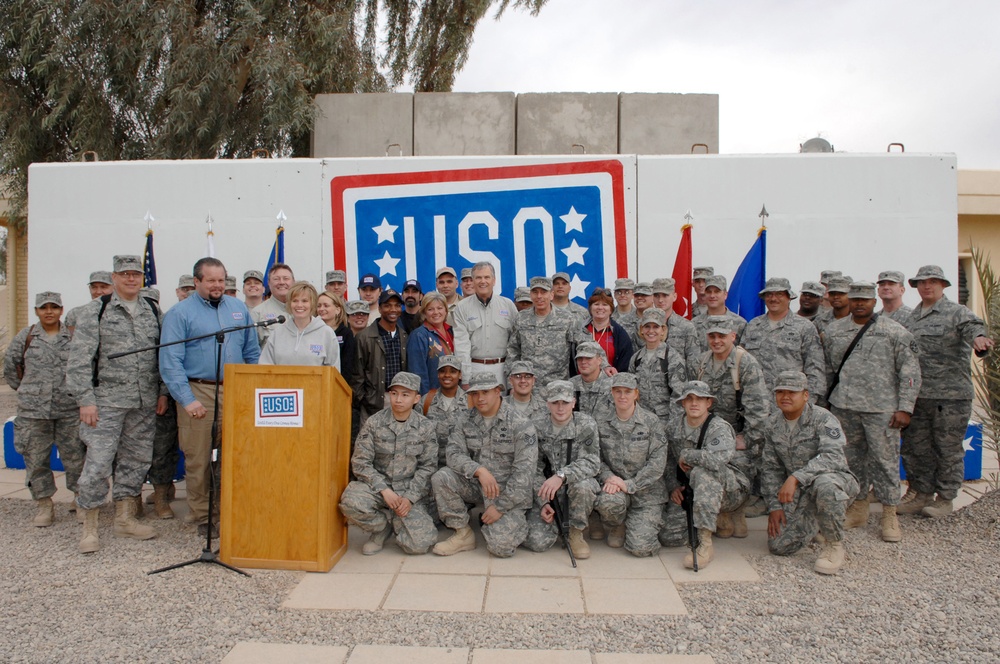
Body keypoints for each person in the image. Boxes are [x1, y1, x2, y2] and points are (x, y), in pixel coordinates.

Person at [67, 255, 169, 554]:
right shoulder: (95, 311)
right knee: (97, 464)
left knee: (136, 461)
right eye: (124, 274)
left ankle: (124, 519)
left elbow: (161, 354)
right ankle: (90, 526)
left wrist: (162, 392)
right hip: (106, 403)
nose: (131, 279)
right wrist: (85, 400)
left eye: (135, 274)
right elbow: (79, 361)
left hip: (143, 401)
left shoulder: (152, 310)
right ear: (114, 277)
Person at [159, 257, 260, 536]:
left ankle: (227, 509)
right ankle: (203, 515)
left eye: (222, 280)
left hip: (236, 389)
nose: (218, 285)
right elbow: (170, 361)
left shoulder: (238, 309)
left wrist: (251, 389)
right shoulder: (179, 314)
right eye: (211, 280)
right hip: (198, 391)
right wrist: (187, 399)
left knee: (233, 456)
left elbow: (252, 353)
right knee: (199, 458)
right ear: (197, 282)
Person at [822, 281, 920, 541]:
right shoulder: (835, 331)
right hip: (845, 406)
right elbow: (831, 369)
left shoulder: (895, 331)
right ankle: (858, 506)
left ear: (874, 301)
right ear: (849, 301)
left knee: (885, 461)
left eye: (865, 299)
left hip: (882, 409)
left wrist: (905, 408)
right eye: (855, 299)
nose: (860, 303)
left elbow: (910, 373)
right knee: (850, 461)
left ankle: (889, 513)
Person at [900, 265, 993, 517]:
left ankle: (945, 498)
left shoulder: (956, 312)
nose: (927, 286)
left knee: (947, 449)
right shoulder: (911, 317)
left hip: (950, 397)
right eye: (922, 282)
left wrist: (980, 339)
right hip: (917, 396)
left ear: (943, 285)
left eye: (933, 282)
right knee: (916, 448)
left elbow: (973, 327)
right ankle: (920, 494)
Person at [761, 371, 859, 575]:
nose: (785, 397)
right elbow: (771, 468)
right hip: (801, 489)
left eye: (792, 392)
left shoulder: (823, 418)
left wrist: (796, 477)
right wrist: (774, 506)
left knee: (825, 486)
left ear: (805, 395)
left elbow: (833, 457)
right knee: (779, 546)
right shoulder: (772, 424)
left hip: (835, 480)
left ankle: (834, 545)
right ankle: (818, 520)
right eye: (780, 392)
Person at [431, 371, 538, 557]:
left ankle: (517, 519)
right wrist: (478, 470)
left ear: (498, 391)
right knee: (442, 477)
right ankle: (463, 532)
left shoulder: (520, 424)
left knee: (501, 548)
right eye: (474, 394)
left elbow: (524, 474)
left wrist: (500, 507)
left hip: (507, 491)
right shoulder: (465, 419)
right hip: (477, 485)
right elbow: (453, 454)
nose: (479, 398)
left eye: (485, 392)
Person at [4, 292, 85, 528]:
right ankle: (44, 503)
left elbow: (84, 367)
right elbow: (11, 366)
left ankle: (80, 500)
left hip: (69, 410)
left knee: (75, 458)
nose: (49, 312)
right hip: (33, 412)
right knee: (36, 459)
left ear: (61, 310)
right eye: (43, 308)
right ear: (36, 311)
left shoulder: (72, 337)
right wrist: (29, 391)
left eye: (54, 307)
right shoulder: (27, 336)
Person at [339, 372, 438, 555]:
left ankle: (400, 520)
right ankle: (381, 528)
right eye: (394, 393)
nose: (398, 399)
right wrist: (384, 490)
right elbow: (361, 462)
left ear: (416, 398)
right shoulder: (374, 423)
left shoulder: (426, 427)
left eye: (405, 395)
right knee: (350, 502)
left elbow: (428, 467)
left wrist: (409, 498)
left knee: (419, 545)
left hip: (408, 490)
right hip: (379, 488)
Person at [691, 316, 770, 537]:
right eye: (712, 336)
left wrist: (748, 438)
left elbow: (759, 408)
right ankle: (722, 512)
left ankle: (737, 511)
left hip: (738, 433)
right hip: (707, 433)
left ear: (733, 336)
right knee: (708, 468)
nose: (716, 341)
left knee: (737, 472)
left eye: (722, 336)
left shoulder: (745, 363)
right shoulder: (701, 362)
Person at [662, 381, 750, 569]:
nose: (694, 403)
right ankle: (713, 516)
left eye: (700, 399)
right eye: (690, 399)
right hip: (692, 489)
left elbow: (717, 460)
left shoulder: (719, 428)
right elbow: (668, 462)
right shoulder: (673, 427)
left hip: (729, 489)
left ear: (708, 403)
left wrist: (688, 455)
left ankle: (704, 544)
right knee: (669, 536)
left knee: (703, 473)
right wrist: (673, 486)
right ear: (682, 403)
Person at [522, 380, 601, 559]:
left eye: (565, 402)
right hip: (545, 490)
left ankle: (575, 531)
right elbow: (532, 467)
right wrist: (543, 502)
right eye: (555, 402)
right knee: (537, 542)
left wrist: (562, 476)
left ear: (573, 402)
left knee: (584, 486)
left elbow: (592, 461)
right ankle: (555, 523)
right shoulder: (535, 425)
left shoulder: (586, 424)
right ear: (547, 403)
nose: (560, 408)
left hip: (573, 485)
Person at [594, 372, 668, 557]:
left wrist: (630, 485)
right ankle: (617, 524)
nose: (622, 396)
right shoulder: (601, 421)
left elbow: (657, 463)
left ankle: (642, 522)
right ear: (611, 393)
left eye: (627, 391)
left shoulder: (651, 422)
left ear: (636, 394)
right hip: (615, 487)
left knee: (640, 548)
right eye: (617, 391)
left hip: (647, 491)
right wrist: (608, 477)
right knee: (607, 502)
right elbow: (595, 457)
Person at [741, 277, 826, 399]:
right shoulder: (753, 325)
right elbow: (742, 361)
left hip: (789, 401)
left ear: (789, 297)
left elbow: (815, 369)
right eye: (769, 294)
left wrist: (808, 402)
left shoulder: (805, 327)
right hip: (755, 402)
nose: (773, 299)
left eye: (779, 294)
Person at [505, 276, 581, 387]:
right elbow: (513, 351)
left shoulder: (567, 319)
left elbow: (584, 343)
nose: (539, 296)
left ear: (551, 294)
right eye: (535, 292)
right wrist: (511, 384)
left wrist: (605, 365)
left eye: (543, 292)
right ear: (530, 295)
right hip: (527, 386)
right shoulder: (521, 318)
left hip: (557, 385)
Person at [452, 261, 515, 387]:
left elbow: (515, 343)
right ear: (473, 281)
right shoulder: (462, 307)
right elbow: (461, 346)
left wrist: (512, 375)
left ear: (494, 280)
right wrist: (465, 378)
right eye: (478, 277)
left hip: (502, 370)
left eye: (487, 277)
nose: (483, 281)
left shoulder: (508, 305)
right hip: (474, 368)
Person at [351, 289, 408, 424]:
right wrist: (366, 399)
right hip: (374, 401)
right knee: (370, 443)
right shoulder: (364, 337)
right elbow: (356, 376)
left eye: (396, 305)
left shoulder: (404, 336)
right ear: (380, 308)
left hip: (399, 399)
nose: (393, 309)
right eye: (387, 305)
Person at [260, 281, 341, 368]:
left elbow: (334, 371)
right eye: (295, 301)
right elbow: (265, 366)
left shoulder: (326, 333)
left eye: (304, 301)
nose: (299, 305)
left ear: (313, 304)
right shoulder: (277, 333)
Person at [628, 308, 685, 428]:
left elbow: (679, 395)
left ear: (663, 330)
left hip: (664, 422)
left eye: (656, 327)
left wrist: (672, 425)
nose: (651, 331)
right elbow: (631, 392)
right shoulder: (636, 358)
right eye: (647, 326)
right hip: (640, 421)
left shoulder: (672, 358)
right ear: (642, 330)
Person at [422, 356, 467, 471]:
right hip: (430, 466)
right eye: (443, 371)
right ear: (438, 374)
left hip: (461, 468)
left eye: (453, 371)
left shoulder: (470, 403)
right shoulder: (426, 401)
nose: (447, 375)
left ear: (460, 375)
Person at [407, 292, 455, 394]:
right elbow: (418, 373)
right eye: (430, 309)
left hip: (454, 396)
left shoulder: (453, 332)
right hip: (432, 399)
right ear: (424, 313)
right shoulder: (419, 336)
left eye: (440, 308)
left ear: (446, 311)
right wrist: (426, 401)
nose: (436, 312)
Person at [650, 277, 700, 375]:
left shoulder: (686, 327)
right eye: (656, 295)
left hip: (678, 383)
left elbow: (693, 363)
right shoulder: (645, 327)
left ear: (674, 296)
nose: (660, 300)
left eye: (665, 295)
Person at [581, 287, 633, 374]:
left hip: (610, 382)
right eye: (596, 304)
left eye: (605, 305)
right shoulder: (580, 329)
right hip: (582, 383)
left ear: (611, 309)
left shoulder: (619, 333)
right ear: (590, 308)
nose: (600, 308)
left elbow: (625, 363)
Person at [691, 275, 747, 352]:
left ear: (725, 295)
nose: (712, 296)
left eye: (717, 291)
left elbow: (743, 355)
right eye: (708, 292)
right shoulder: (694, 324)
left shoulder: (740, 324)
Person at [251, 263, 295, 347]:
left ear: (293, 282)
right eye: (276, 279)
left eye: (286, 278)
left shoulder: (303, 311)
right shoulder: (257, 313)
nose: (281, 282)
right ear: (269, 283)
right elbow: (251, 350)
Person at [569, 341, 614, 420]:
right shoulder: (570, 385)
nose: (583, 362)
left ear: (599, 360)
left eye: (588, 358)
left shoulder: (613, 385)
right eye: (580, 358)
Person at [318, 291, 356, 379]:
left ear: (338, 310)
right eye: (319, 306)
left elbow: (348, 365)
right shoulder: (312, 332)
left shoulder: (346, 333)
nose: (321, 309)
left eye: (326, 305)